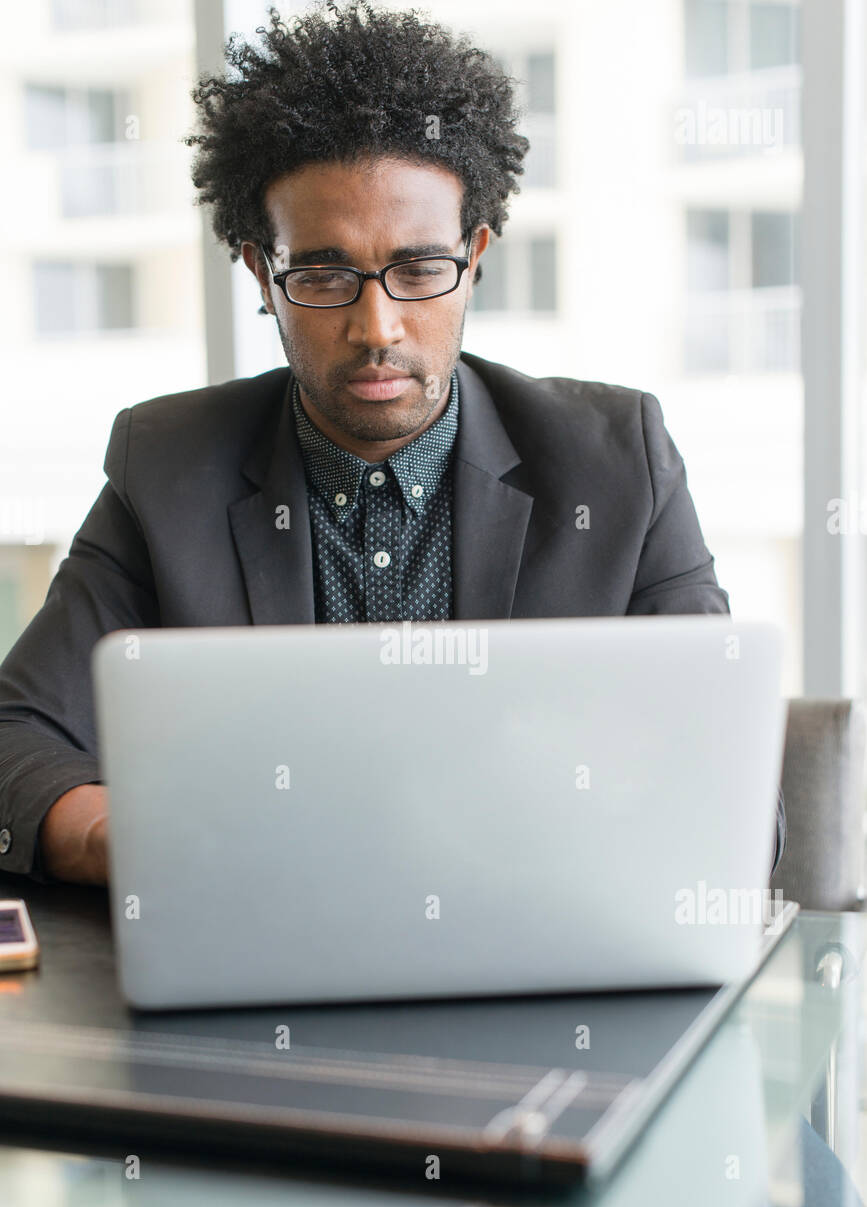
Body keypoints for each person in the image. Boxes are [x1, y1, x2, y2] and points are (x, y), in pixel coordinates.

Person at [0, 0, 785, 886]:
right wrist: (126, 841)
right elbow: (15, 743)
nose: (378, 327)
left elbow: (734, 785)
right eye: (326, 274)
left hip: (546, 956)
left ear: (474, 255)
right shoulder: (166, 466)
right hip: (266, 953)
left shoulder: (617, 463)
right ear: (264, 272)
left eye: (418, 270)